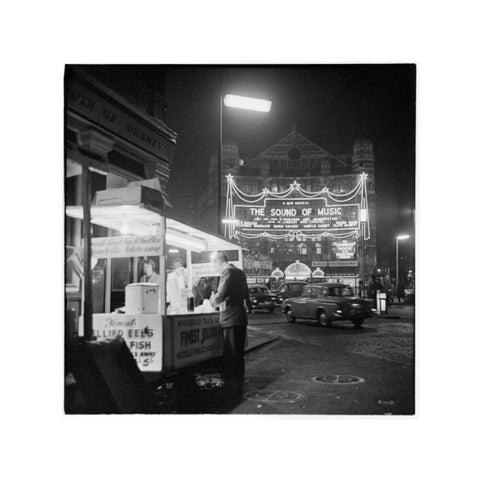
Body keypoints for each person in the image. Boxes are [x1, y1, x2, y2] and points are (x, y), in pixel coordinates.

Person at [210, 252, 252, 391]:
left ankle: (232, 384)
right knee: (238, 353)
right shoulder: (240, 272)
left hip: (230, 318)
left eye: (214, 265)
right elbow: (246, 295)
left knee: (231, 353)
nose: (215, 268)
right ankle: (238, 379)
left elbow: (220, 295)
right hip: (240, 317)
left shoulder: (227, 272)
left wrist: (212, 300)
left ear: (219, 262)